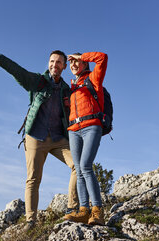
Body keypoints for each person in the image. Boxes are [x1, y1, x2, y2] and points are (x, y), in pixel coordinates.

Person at [0, 43, 79, 230]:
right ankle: (31, 221)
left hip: (58, 138)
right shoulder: (38, 81)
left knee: (78, 166)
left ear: (64, 66)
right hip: (36, 136)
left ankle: (73, 209)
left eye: (58, 62)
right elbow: (18, 71)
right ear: (48, 63)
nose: (54, 65)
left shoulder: (67, 89)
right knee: (33, 178)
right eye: (51, 61)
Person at [63, 52, 108, 225]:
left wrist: (82, 56)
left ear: (84, 63)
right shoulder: (72, 87)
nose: (73, 64)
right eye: (71, 63)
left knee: (86, 166)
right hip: (74, 130)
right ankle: (83, 210)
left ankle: (97, 211)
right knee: (79, 170)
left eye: (77, 61)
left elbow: (102, 57)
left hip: (91, 127)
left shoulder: (93, 78)